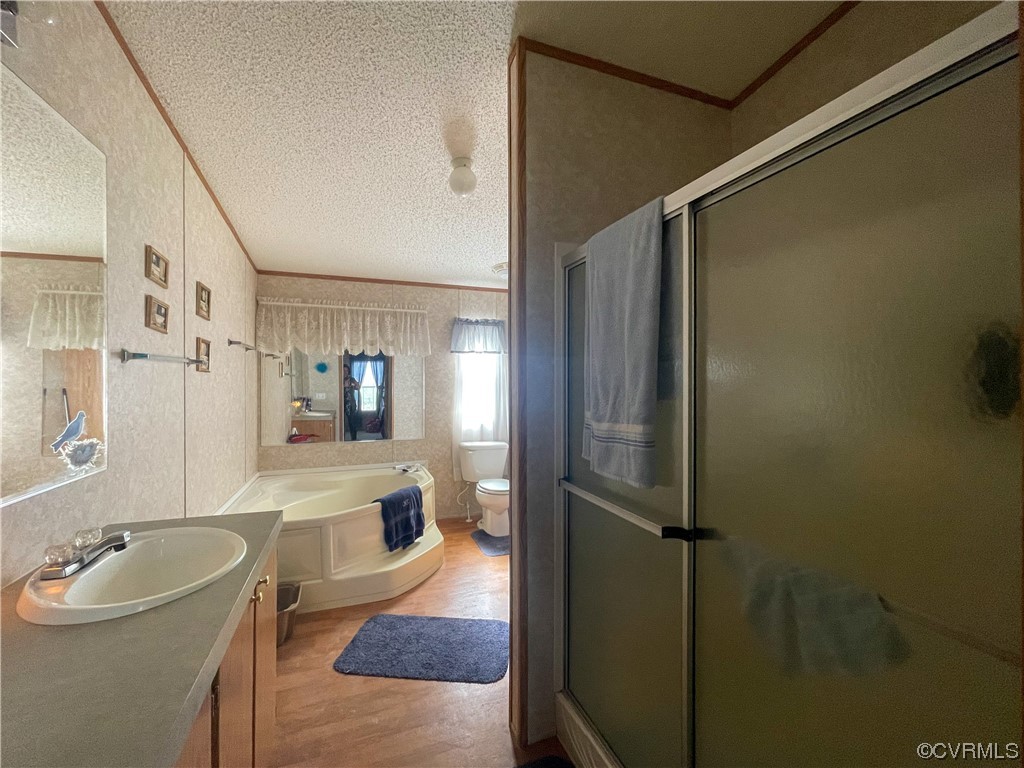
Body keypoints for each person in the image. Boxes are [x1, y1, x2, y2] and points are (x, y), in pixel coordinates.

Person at [342, 364, 361, 441]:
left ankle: (354, 439)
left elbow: (358, 387)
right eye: (343, 370)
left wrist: (356, 384)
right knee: (341, 422)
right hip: (341, 403)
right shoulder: (339, 379)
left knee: (352, 423)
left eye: (346, 370)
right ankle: (341, 438)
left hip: (351, 404)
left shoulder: (351, 379)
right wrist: (344, 385)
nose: (345, 372)